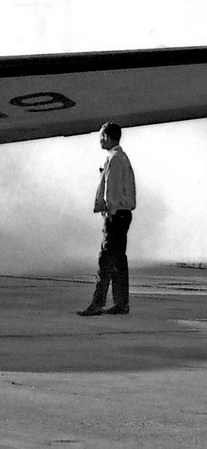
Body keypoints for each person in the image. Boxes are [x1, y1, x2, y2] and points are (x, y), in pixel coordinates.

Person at [78, 121, 135, 316]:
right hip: (123, 213)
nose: (100, 141)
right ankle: (121, 303)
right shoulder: (121, 157)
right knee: (119, 261)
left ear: (107, 137)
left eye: (101, 137)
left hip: (116, 214)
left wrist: (108, 209)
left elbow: (112, 190)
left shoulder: (115, 158)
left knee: (106, 259)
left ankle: (97, 303)